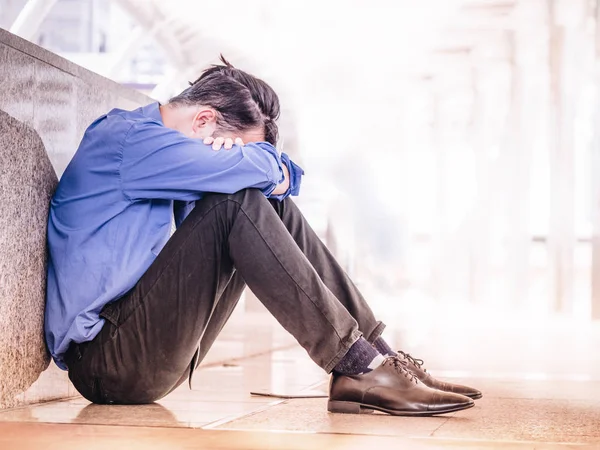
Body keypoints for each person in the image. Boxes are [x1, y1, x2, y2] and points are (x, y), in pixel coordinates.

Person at [44, 56, 481, 415]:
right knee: (237, 202)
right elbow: (275, 172)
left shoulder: (164, 148)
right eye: (236, 148)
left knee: (263, 201)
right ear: (204, 121)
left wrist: (261, 165)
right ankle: (357, 366)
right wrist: (264, 166)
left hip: (143, 351)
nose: (234, 159)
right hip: (107, 362)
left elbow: (286, 178)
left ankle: (376, 357)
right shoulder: (129, 141)